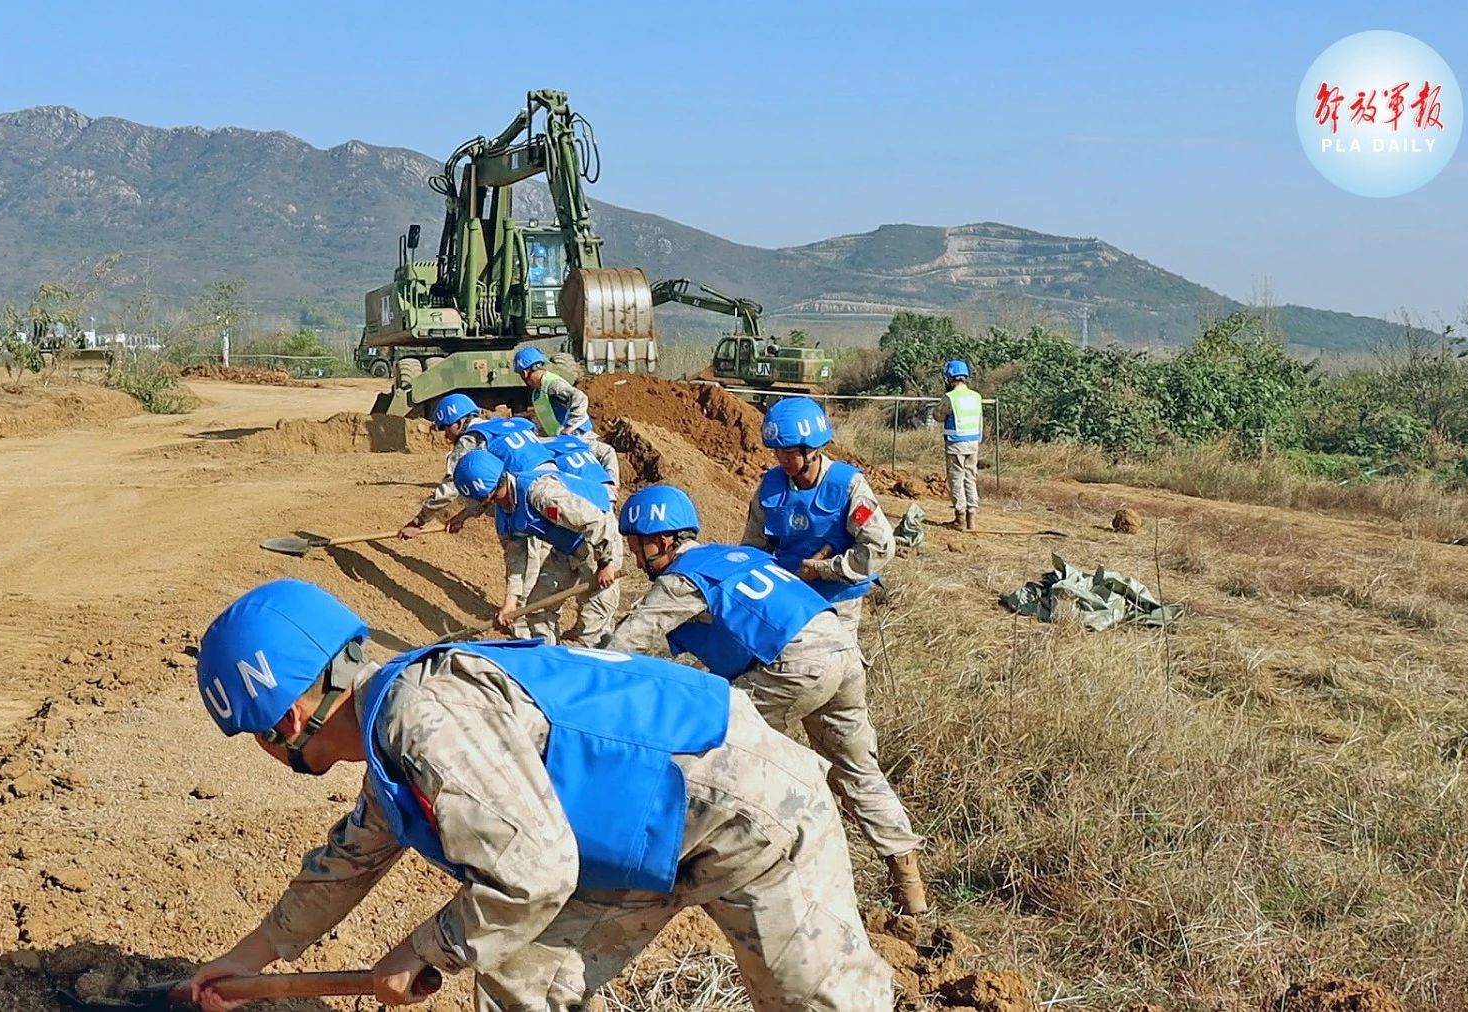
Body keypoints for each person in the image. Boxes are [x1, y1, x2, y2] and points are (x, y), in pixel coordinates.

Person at [187, 579, 894, 1011]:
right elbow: (346, 863)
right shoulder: (391, 748)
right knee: (520, 984)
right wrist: (247, 960)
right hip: (632, 839)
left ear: (285, 721)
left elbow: (534, 872)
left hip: (750, 815)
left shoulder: (424, 718)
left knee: (818, 1004)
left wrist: (422, 949)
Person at [607, 485, 929, 914]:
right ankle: (909, 885)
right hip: (841, 649)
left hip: (794, 664)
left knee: (714, 756)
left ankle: (713, 872)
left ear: (661, 541)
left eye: (635, 545)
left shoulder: (681, 579)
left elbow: (625, 648)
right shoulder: (739, 557)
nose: (634, 556)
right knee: (859, 770)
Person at [743, 397, 895, 641]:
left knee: (835, 669)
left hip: (837, 602)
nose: (782, 459)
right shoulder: (770, 487)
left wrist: (825, 569)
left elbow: (879, 547)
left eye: (790, 452)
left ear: (813, 449)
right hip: (787, 599)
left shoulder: (848, 486)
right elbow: (752, 547)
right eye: (777, 451)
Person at [455, 448, 621, 646]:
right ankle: (551, 660)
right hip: (566, 548)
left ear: (486, 494)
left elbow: (596, 521)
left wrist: (605, 562)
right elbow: (515, 558)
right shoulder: (504, 515)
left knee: (593, 624)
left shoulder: (540, 493)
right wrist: (511, 602)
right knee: (537, 609)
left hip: (599, 541)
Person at [399, 393, 609, 540]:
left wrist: (418, 521)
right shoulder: (511, 424)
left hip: (531, 498)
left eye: (446, 428)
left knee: (531, 554)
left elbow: (451, 487)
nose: (446, 436)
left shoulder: (470, 440)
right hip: (562, 484)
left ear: (459, 422)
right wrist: (464, 516)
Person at [513, 346, 620, 485]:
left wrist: (569, 427)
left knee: (606, 452)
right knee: (607, 453)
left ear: (525, 373)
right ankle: (612, 489)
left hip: (572, 437)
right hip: (565, 441)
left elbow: (580, 398)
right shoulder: (539, 392)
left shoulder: (552, 385)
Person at [930, 359, 982, 530]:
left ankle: (959, 518)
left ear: (949, 378)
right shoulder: (976, 397)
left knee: (956, 479)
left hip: (955, 445)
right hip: (973, 444)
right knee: (970, 478)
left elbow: (938, 415)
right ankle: (971, 518)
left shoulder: (950, 398)